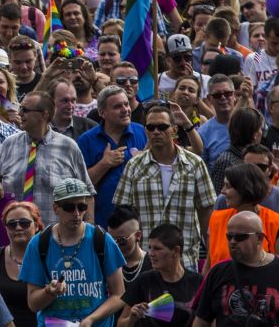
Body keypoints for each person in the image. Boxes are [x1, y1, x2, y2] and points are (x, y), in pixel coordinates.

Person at [112, 101, 215, 270]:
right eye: (150, 127)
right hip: (145, 263)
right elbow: (122, 217)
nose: (156, 132)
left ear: (174, 130)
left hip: (185, 261)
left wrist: (209, 263)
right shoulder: (134, 166)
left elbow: (207, 219)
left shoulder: (195, 164)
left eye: (162, 127)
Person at [19, 178, 126, 327]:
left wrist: (91, 319)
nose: (76, 213)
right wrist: (49, 292)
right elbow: (33, 304)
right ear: (55, 208)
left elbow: (119, 294)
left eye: (82, 207)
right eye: (69, 207)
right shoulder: (39, 243)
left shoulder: (101, 239)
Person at [0, 91, 93, 224]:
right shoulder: (9, 144)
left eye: (25, 110)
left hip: (54, 235)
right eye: (20, 108)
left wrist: (89, 233)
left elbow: (87, 193)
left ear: (44, 115)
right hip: (16, 233)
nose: (19, 114)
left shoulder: (68, 147)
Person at [192, 210, 279, 326]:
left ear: (259, 238)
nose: (232, 241)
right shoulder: (218, 271)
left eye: (240, 237)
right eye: (229, 236)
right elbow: (201, 321)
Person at [78, 85, 148, 227]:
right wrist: (104, 164)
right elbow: (80, 186)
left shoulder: (142, 132)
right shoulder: (86, 140)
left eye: (126, 104)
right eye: (117, 107)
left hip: (140, 220)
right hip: (103, 222)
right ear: (102, 112)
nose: (125, 110)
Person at [118, 223, 202, 327]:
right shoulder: (143, 281)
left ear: (176, 251)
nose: (150, 253)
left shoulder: (198, 282)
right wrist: (131, 319)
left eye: (157, 249)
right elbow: (120, 323)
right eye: (149, 247)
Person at [0, 202, 42, 327]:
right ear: (5, 228)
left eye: (24, 223)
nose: (18, 227)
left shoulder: (48, 258)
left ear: (36, 225)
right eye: (12, 224)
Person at [207, 163, 279, 269]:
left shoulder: (275, 222)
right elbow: (209, 264)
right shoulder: (217, 219)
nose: (222, 191)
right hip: (221, 283)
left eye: (228, 186)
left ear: (245, 188)